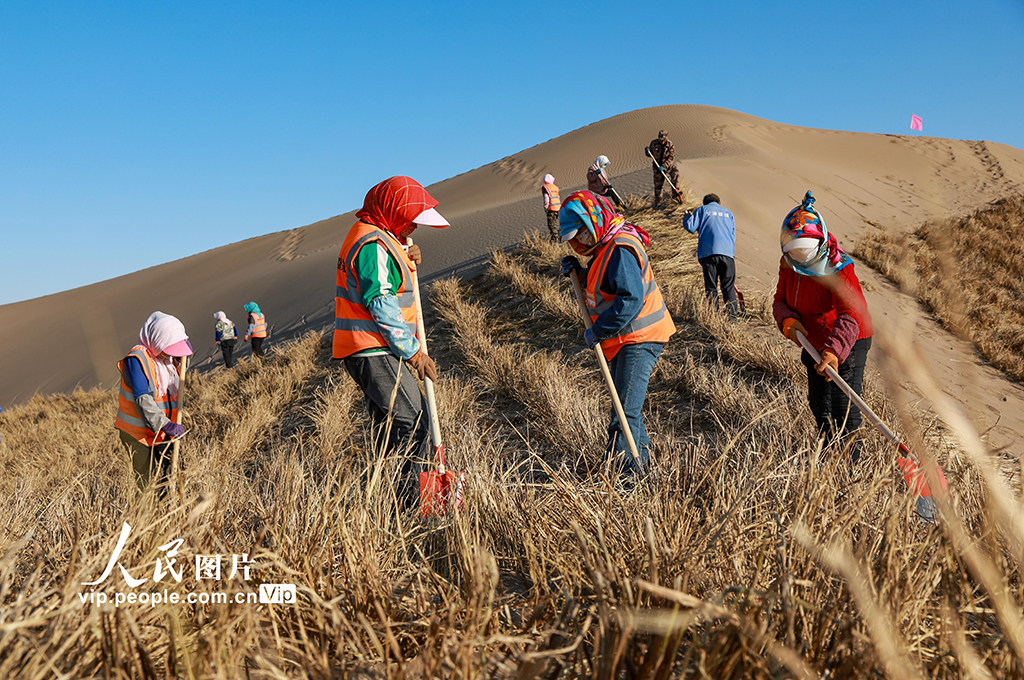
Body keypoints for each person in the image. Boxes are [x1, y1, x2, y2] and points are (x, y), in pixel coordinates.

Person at [333, 176, 448, 505]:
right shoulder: (373, 246)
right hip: (373, 347)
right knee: (416, 423)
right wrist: (413, 353)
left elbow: (391, 277)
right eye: (410, 219)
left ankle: (376, 497)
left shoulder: (381, 238)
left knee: (389, 430)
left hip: (371, 347)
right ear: (393, 211)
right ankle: (414, 505)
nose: (414, 225)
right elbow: (381, 305)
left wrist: (403, 248)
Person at [558, 190, 676, 475]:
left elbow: (630, 299)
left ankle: (625, 480)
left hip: (639, 338)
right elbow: (607, 287)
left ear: (594, 221)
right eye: (574, 238)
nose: (578, 242)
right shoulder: (605, 247)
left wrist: (599, 329)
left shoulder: (620, 248)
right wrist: (580, 273)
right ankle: (646, 472)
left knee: (623, 416)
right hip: (623, 340)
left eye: (581, 234)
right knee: (627, 412)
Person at [773, 191, 873, 462]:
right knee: (819, 404)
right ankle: (829, 457)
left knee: (844, 412)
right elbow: (780, 299)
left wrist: (834, 352)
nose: (800, 262)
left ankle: (851, 467)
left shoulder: (838, 268)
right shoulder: (789, 264)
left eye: (804, 254)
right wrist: (787, 321)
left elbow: (851, 314)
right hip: (812, 339)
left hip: (848, 341)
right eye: (794, 254)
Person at [114, 311, 192, 492]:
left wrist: (182, 357)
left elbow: (179, 374)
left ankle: (171, 515)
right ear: (158, 341)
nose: (172, 355)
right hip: (137, 435)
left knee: (173, 476)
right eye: (170, 348)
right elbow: (143, 400)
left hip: (162, 432)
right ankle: (141, 519)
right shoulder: (137, 360)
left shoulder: (166, 360)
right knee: (147, 484)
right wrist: (166, 425)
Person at [683, 193, 739, 316]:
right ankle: (733, 316)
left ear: (705, 203)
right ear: (719, 203)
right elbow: (732, 235)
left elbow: (691, 227)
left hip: (709, 253)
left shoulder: (703, 210)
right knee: (728, 287)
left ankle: (714, 315)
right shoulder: (728, 213)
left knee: (711, 287)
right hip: (728, 254)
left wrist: (687, 217)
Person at [648, 130, 679, 207]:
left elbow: (671, 157)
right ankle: (658, 203)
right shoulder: (653, 143)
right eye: (660, 139)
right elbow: (650, 154)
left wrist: (664, 166)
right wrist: (647, 152)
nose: (662, 141)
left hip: (669, 166)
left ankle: (676, 199)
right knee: (658, 185)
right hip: (657, 167)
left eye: (663, 140)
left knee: (675, 177)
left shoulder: (670, 145)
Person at [541, 174, 562, 243]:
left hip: (551, 208)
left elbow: (546, 198)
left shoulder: (546, 187)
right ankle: (553, 238)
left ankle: (556, 238)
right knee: (554, 223)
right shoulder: (555, 187)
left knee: (551, 225)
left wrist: (545, 206)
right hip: (558, 208)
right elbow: (558, 197)